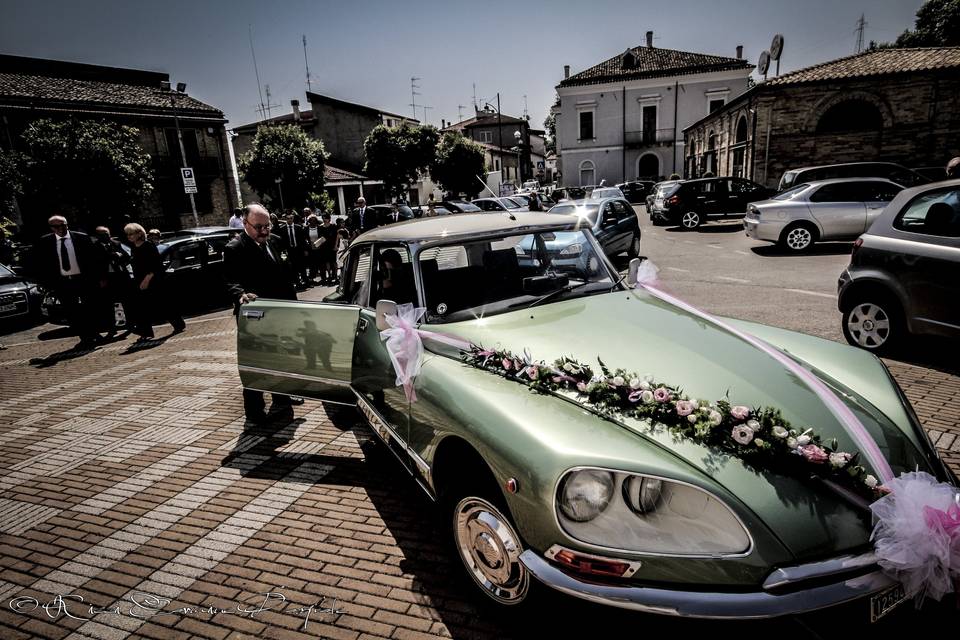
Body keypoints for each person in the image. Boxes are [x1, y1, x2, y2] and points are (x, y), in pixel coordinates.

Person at [223, 204, 300, 424]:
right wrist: (241, 294)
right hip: (254, 316)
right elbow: (230, 280)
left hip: (281, 313)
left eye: (267, 225)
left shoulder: (276, 240)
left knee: (282, 356)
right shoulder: (234, 248)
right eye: (259, 227)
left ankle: (282, 395)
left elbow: (286, 274)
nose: (265, 231)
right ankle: (254, 409)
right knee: (256, 362)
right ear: (245, 224)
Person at [34, 215, 107, 349]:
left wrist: (101, 278)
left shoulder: (81, 238)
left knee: (91, 307)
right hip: (63, 282)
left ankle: (94, 333)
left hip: (83, 279)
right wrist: (47, 283)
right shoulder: (45, 242)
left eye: (63, 225)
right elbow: (41, 264)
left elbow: (96, 259)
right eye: (57, 226)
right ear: (51, 228)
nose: (61, 228)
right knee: (72, 311)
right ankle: (86, 337)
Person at [124, 223, 185, 342]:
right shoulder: (134, 248)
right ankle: (145, 332)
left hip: (153, 280)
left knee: (163, 303)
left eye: (131, 234)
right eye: (127, 234)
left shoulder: (148, 246)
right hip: (140, 280)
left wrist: (147, 280)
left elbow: (155, 264)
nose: (129, 237)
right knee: (142, 307)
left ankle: (178, 324)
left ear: (139, 233)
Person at [93, 225, 132, 338]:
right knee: (108, 305)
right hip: (107, 278)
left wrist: (118, 256)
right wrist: (101, 279)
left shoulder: (116, 243)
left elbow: (127, 257)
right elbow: (94, 265)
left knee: (126, 302)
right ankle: (111, 329)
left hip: (120, 276)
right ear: (98, 236)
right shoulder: (94, 247)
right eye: (103, 235)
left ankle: (130, 325)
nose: (106, 237)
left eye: (107, 234)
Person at [279, 212, 308, 287]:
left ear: (293, 219)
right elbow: (281, 242)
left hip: (299, 249)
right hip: (289, 250)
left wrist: (305, 250)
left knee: (302, 266)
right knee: (293, 267)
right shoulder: (282, 229)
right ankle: (297, 283)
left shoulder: (298, 227)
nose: (289, 220)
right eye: (288, 218)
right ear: (286, 219)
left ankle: (306, 282)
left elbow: (303, 239)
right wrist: (283, 253)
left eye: (291, 218)